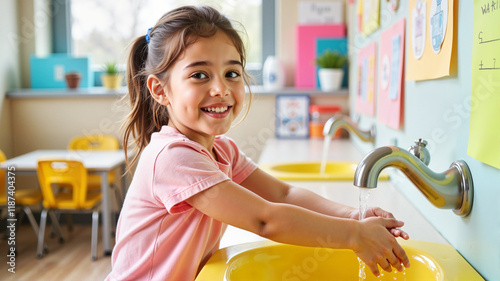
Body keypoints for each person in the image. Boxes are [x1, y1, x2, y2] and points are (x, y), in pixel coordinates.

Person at [106, 5, 410, 281]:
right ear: (160, 90)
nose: (221, 88)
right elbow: (266, 220)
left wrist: (353, 216)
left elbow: (283, 193)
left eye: (232, 73)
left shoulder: (222, 149)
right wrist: (354, 235)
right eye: (200, 75)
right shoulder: (172, 156)